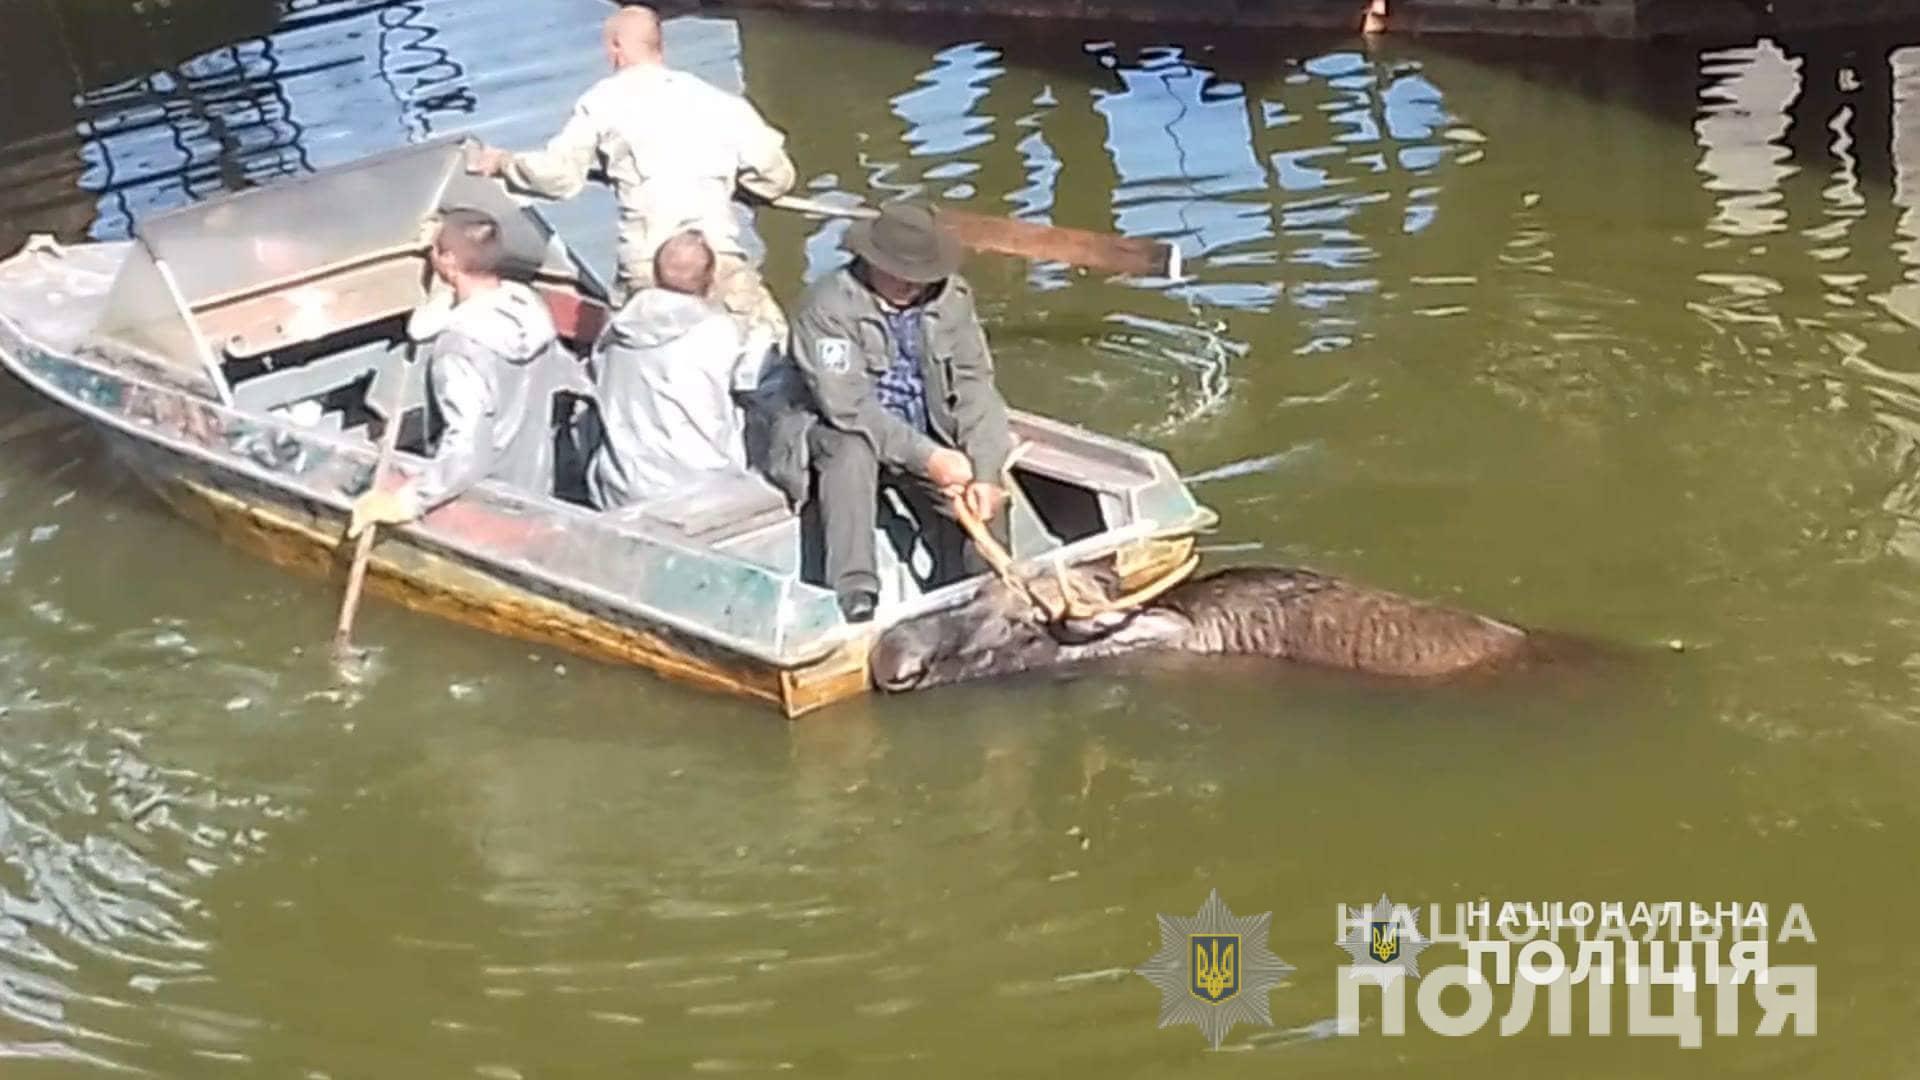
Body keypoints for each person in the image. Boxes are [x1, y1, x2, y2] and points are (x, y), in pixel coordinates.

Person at [465, 5, 794, 340]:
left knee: (641, 356)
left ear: (615, 48)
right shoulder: (718, 101)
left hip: (650, 264)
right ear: (661, 46)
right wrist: (739, 182)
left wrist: (504, 162)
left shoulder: (603, 101)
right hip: (717, 255)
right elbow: (776, 176)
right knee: (768, 347)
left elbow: (559, 177)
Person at [787, 202, 1014, 624]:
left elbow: (974, 385)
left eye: (919, 276)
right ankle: (854, 591)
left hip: (925, 426)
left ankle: (985, 594)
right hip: (843, 430)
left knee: (987, 495)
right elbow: (846, 405)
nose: (910, 285)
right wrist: (929, 458)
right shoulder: (827, 307)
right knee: (849, 452)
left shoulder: (952, 299)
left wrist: (985, 471)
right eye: (898, 273)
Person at [348, 209, 582, 537]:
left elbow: (467, 449)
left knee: (367, 483)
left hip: (482, 504)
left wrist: (406, 502)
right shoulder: (529, 309)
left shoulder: (460, 349)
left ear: (449, 260)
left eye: (435, 250)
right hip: (532, 488)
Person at [585, 230, 755, 511]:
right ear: (710, 279)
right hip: (702, 487)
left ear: (654, 273)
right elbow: (755, 383)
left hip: (622, 484)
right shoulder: (719, 332)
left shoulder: (616, 329)